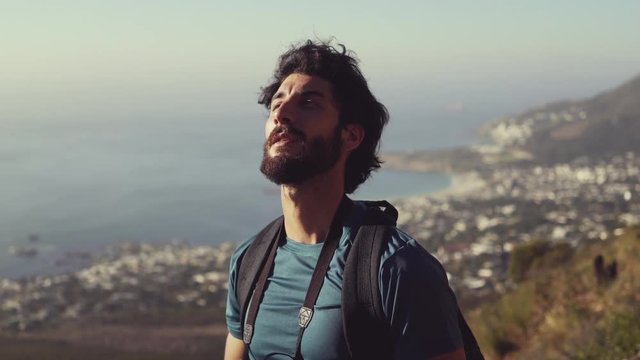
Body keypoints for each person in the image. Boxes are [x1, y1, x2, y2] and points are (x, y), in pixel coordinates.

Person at [225, 40, 470, 360]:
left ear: (350, 136)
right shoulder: (249, 261)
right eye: (276, 104)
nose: (282, 114)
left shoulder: (396, 269)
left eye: (309, 103)